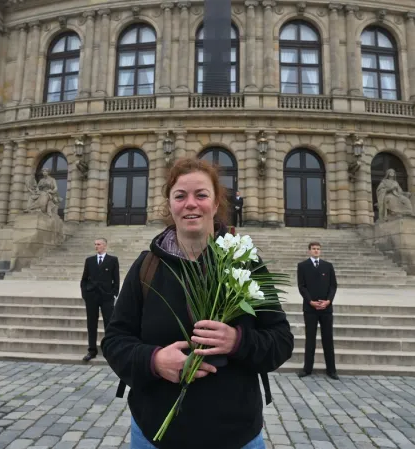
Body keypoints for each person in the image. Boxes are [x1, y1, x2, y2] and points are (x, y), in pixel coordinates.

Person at [101, 157, 294, 449]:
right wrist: (153, 361)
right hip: (155, 435)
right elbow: (115, 341)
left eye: (201, 195)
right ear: (170, 205)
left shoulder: (245, 263)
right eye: (180, 196)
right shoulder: (147, 266)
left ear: (216, 205)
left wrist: (238, 341)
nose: (191, 203)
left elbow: (281, 341)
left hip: (236, 437)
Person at [296, 242, 338, 380]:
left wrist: (328, 301)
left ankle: (331, 370)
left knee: (328, 339)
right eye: (314, 249)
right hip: (310, 308)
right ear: (309, 251)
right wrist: (310, 301)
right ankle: (307, 369)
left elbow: (333, 286)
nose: (316, 251)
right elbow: (302, 286)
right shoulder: (302, 266)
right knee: (310, 339)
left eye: (318, 249)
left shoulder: (328, 266)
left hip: (326, 308)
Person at [80, 238, 120, 362]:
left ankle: (109, 350)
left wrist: (114, 294)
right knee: (91, 323)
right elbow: (84, 278)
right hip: (91, 296)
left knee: (109, 323)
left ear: (105, 246)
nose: (96, 246)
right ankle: (92, 350)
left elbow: (116, 278)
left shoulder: (112, 260)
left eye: (98, 244)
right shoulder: (89, 260)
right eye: (95, 244)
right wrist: (85, 293)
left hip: (106, 296)